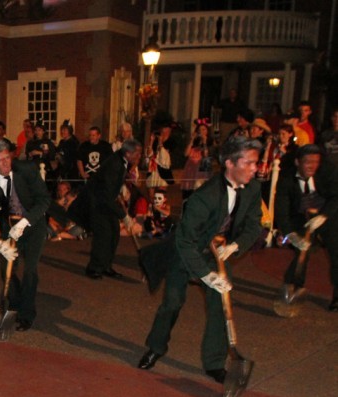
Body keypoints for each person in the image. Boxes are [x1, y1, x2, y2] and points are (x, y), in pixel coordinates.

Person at [137, 137, 264, 383]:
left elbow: (253, 224)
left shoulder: (253, 189)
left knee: (221, 306)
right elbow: (185, 241)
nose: (254, 168)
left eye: (255, 163)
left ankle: (214, 363)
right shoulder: (204, 197)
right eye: (249, 163)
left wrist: (236, 246)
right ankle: (155, 348)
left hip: (218, 252)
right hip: (185, 252)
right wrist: (207, 276)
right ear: (229, 163)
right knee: (172, 303)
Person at [0, 139, 53, 331]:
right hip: (8, 227)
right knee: (7, 270)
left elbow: (44, 200)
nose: (6, 163)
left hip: (33, 225)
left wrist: (25, 222)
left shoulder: (27, 170)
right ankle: (14, 306)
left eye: (7, 157)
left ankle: (26, 315)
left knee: (30, 270)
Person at [273, 145, 338, 312]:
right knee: (302, 251)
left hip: (328, 214)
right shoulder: (286, 178)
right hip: (301, 216)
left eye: (316, 162)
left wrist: (323, 216)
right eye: (307, 162)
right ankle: (293, 285)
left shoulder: (328, 171)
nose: (312, 166)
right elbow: (282, 208)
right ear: (297, 162)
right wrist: (290, 233)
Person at [81, 139, 143, 279]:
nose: (139, 156)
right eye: (137, 153)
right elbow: (107, 194)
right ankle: (94, 268)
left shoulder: (122, 161)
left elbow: (113, 185)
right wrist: (125, 217)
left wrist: (119, 191)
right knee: (103, 235)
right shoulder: (115, 164)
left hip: (107, 200)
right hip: (98, 201)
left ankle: (105, 266)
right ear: (128, 153)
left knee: (114, 232)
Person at [182, 121, 214, 198]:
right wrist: (192, 140)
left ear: (207, 131)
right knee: (188, 192)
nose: (201, 132)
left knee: (199, 191)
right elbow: (186, 154)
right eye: (200, 130)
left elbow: (206, 156)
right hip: (191, 169)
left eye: (204, 129)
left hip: (201, 169)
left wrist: (204, 142)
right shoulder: (195, 142)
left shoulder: (210, 143)